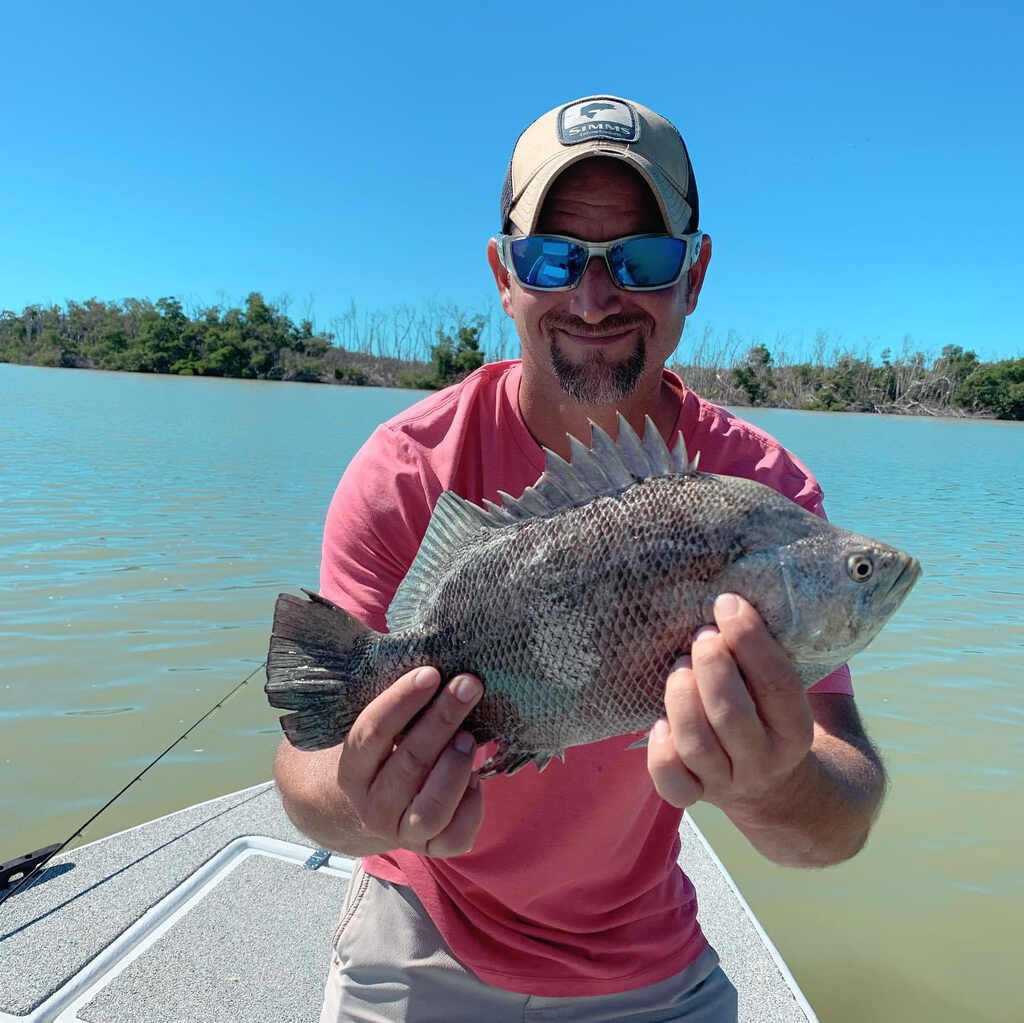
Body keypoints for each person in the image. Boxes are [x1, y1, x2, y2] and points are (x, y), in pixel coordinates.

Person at [274, 95, 887, 1022]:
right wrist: (365, 797)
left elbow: (841, 813)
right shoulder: (406, 469)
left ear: (694, 273)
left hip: (645, 957)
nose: (593, 298)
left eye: (639, 259)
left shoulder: (765, 491)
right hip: (420, 921)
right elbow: (304, 770)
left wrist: (777, 784)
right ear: (503, 273)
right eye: (552, 257)